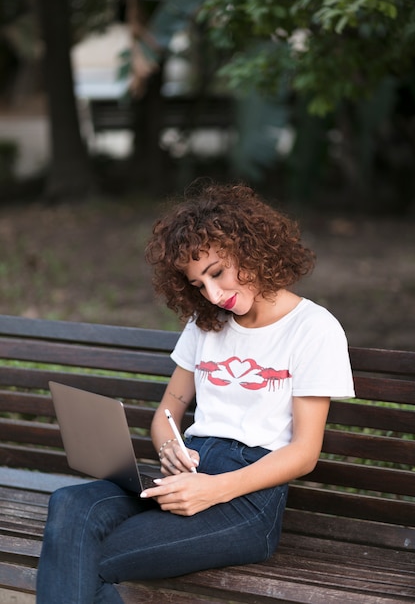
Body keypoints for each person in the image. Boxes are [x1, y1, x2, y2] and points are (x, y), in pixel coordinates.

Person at [36, 182, 355, 603]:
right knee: (70, 504)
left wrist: (215, 489)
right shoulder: (206, 323)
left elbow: (304, 452)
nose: (214, 295)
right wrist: (170, 447)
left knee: (86, 555)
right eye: (199, 285)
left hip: (247, 499)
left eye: (218, 273)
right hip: (188, 472)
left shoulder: (313, 328)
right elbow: (169, 409)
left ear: (252, 247)